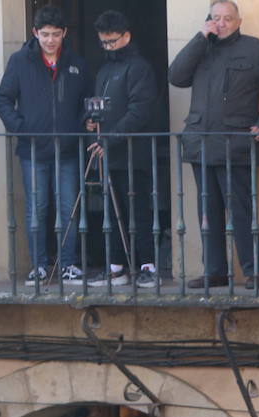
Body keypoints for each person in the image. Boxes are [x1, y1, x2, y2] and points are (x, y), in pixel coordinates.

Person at [168, 1, 259, 290]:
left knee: (240, 210)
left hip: (236, 144)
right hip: (201, 142)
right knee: (207, 212)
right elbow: (176, 76)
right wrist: (200, 38)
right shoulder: (202, 47)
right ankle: (215, 271)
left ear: (239, 21)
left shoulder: (254, 49)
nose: (221, 23)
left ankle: (255, 271)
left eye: (227, 18)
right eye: (215, 18)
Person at [0, 5, 92, 285]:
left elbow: (88, 99)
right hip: (33, 150)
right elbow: (2, 99)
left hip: (69, 149)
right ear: (35, 32)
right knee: (36, 209)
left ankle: (68, 264)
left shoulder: (77, 63)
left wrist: (84, 121)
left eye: (56, 34)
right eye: (45, 34)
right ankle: (38, 265)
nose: (50, 40)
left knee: (68, 207)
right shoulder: (19, 61)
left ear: (65, 34)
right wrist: (21, 129)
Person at [83, 10, 166, 288]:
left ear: (126, 36)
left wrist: (111, 138)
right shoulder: (105, 69)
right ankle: (116, 267)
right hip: (109, 152)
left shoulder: (139, 67)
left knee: (138, 210)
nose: (108, 47)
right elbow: (102, 107)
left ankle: (148, 266)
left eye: (113, 41)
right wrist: (93, 123)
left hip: (134, 152)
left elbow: (140, 111)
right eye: (103, 42)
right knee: (112, 211)